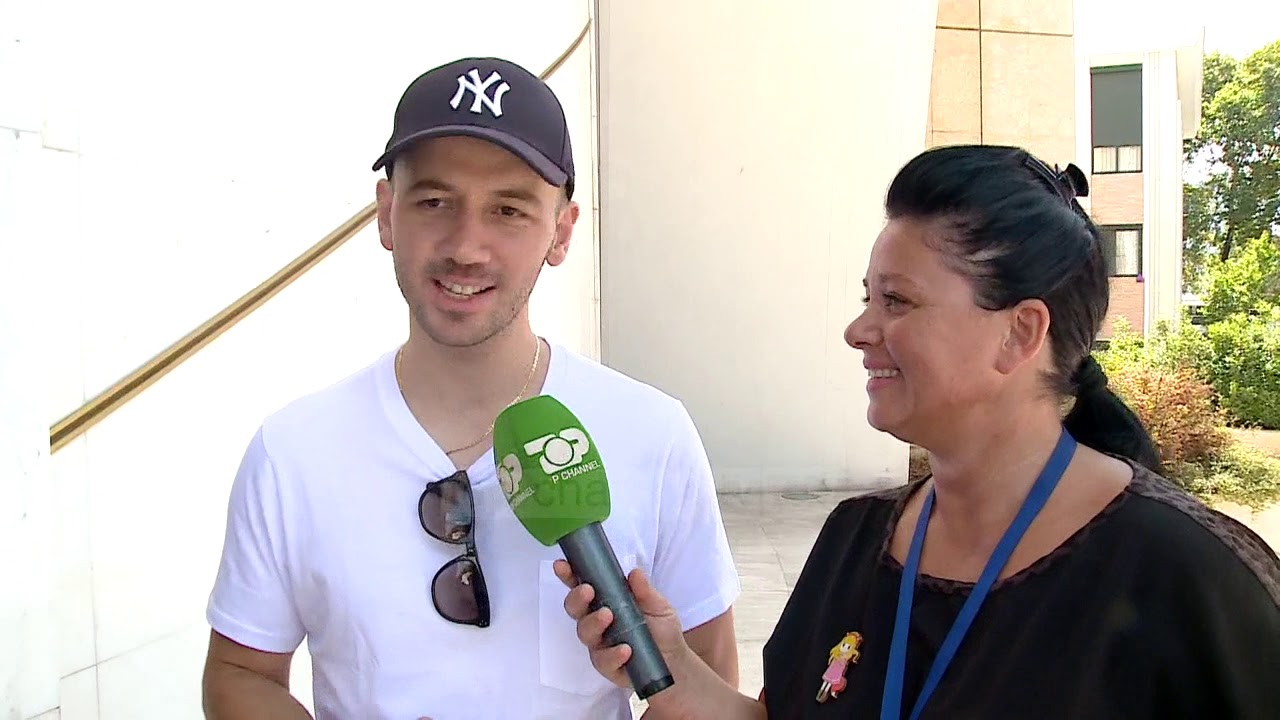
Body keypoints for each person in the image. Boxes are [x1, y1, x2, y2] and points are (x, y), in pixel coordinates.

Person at [557, 144, 1280, 719]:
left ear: (1019, 333)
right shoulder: (854, 540)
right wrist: (676, 668)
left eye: (897, 301)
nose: (858, 330)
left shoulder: (1184, 573)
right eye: (867, 298)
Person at [201, 56, 741, 720]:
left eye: (508, 210)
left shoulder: (652, 434)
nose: (466, 247)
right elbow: (241, 672)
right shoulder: (293, 450)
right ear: (387, 214)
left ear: (561, 232)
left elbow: (708, 678)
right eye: (435, 202)